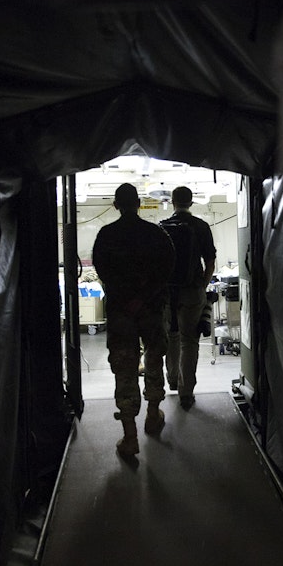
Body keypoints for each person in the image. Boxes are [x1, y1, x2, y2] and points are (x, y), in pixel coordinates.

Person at [92, 183, 175, 459]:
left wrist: (127, 298)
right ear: (139, 203)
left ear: (116, 205)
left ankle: (130, 437)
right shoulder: (156, 234)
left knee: (125, 367)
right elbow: (167, 270)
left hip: (121, 312)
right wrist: (145, 297)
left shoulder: (106, 236)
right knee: (154, 359)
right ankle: (153, 415)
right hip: (150, 310)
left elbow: (103, 271)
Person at [160, 186, 216, 410]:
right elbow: (210, 263)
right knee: (189, 340)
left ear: (172, 202)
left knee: (172, 336)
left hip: (168, 292)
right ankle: (186, 393)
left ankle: (172, 379)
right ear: (191, 203)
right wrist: (201, 286)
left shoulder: (162, 227)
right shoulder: (201, 226)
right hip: (192, 291)